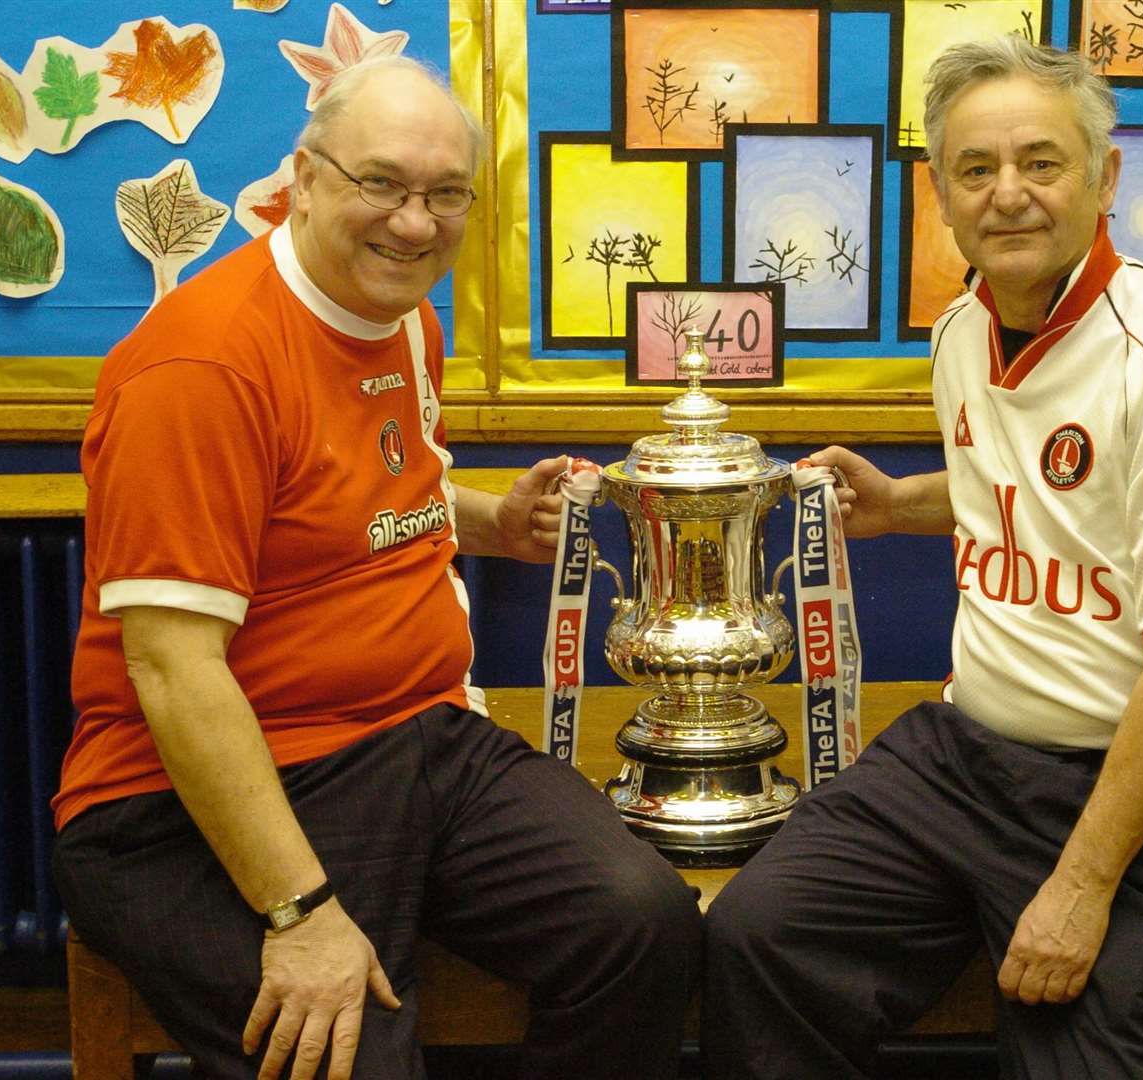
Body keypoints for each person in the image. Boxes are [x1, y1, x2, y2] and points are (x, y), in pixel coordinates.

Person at [52, 57, 700, 1080]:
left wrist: (493, 524)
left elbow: (346, 499)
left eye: (446, 195)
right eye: (380, 184)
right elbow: (173, 670)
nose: (414, 222)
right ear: (304, 179)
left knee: (642, 923)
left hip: (413, 738)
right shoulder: (201, 368)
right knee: (351, 1052)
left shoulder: (403, 316)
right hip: (181, 798)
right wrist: (299, 912)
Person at [703, 35, 1143, 1080]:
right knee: (760, 936)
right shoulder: (963, 330)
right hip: (966, 756)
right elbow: (1045, 494)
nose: (1007, 194)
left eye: (1040, 162)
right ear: (940, 194)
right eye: (975, 169)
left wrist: (1077, 885)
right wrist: (900, 505)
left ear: (1103, 176)